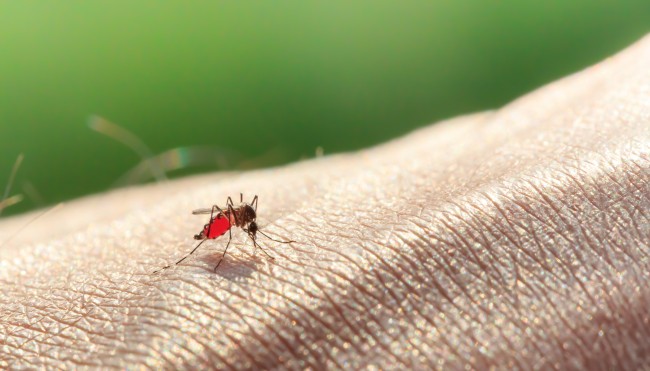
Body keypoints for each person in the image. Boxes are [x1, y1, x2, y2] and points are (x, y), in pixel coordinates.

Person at [1, 35, 648, 369]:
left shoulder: (244, 224)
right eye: (245, 224)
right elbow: (231, 220)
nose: (245, 226)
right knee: (218, 224)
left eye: (242, 224)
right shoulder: (236, 223)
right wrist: (222, 239)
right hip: (212, 235)